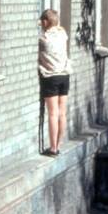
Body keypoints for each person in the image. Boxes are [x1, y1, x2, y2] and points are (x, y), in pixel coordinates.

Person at [38, 9, 71, 156]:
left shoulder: (43, 39)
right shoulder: (63, 36)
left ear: (46, 22)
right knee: (62, 113)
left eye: (42, 21)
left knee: (53, 113)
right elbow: (60, 29)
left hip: (50, 77)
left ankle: (52, 149)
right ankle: (59, 144)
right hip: (64, 76)